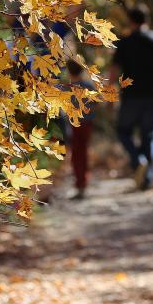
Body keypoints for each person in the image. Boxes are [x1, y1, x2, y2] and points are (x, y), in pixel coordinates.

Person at [111, 6, 153, 190]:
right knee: (149, 135)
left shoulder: (125, 42)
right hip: (152, 96)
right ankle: (147, 178)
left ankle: (138, 159)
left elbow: (114, 70)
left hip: (130, 96)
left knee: (123, 131)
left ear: (131, 21)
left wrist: (109, 94)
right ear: (147, 20)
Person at [65, 59, 95, 199]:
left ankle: (80, 183)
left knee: (76, 154)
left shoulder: (67, 87)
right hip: (88, 124)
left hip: (74, 125)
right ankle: (83, 182)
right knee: (83, 152)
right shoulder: (88, 86)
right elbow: (96, 102)